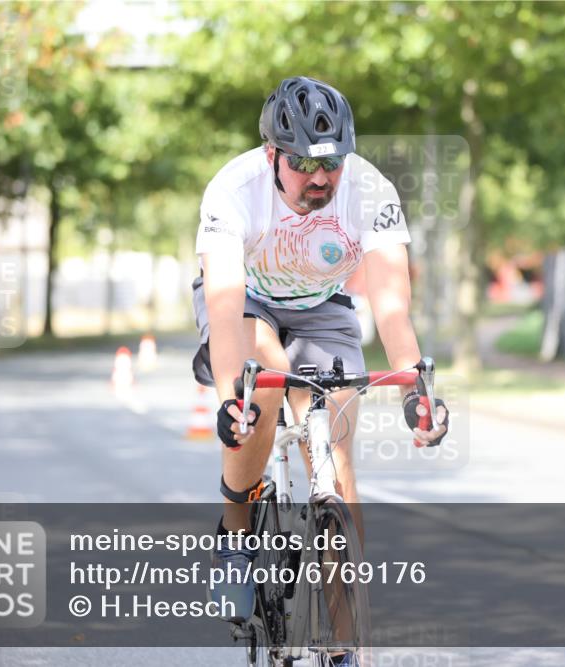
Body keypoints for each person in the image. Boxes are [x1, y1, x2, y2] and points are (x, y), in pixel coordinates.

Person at [191, 76, 450, 628]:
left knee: (332, 455)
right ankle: (235, 535)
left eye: (331, 164)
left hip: (322, 302)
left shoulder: (370, 190)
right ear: (272, 156)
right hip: (248, 299)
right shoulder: (233, 190)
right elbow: (223, 300)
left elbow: (390, 305)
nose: (319, 178)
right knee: (264, 388)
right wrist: (229, 395)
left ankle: (345, 641)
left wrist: (416, 389)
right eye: (304, 165)